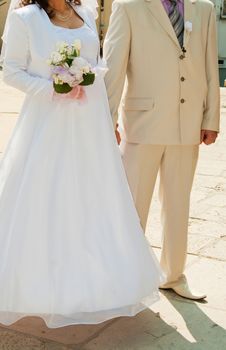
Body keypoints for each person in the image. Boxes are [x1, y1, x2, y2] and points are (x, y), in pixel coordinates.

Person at [0, 0, 164, 328]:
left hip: (90, 124)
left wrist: (101, 105)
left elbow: (99, 65)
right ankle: (46, 288)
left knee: (95, 198)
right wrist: (53, 88)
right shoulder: (24, 18)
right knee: (48, 196)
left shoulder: (87, 13)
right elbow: (11, 71)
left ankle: (99, 284)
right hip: (47, 122)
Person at [104, 0, 220, 300]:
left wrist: (211, 118)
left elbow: (209, 66)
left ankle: (173, 275)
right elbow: (113, 67)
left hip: (189, 124)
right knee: (133, 206)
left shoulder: (204, 9)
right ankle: (125, 277)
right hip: (143, 125)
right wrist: (107, 120)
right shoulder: (128, 7)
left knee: (179, 204)